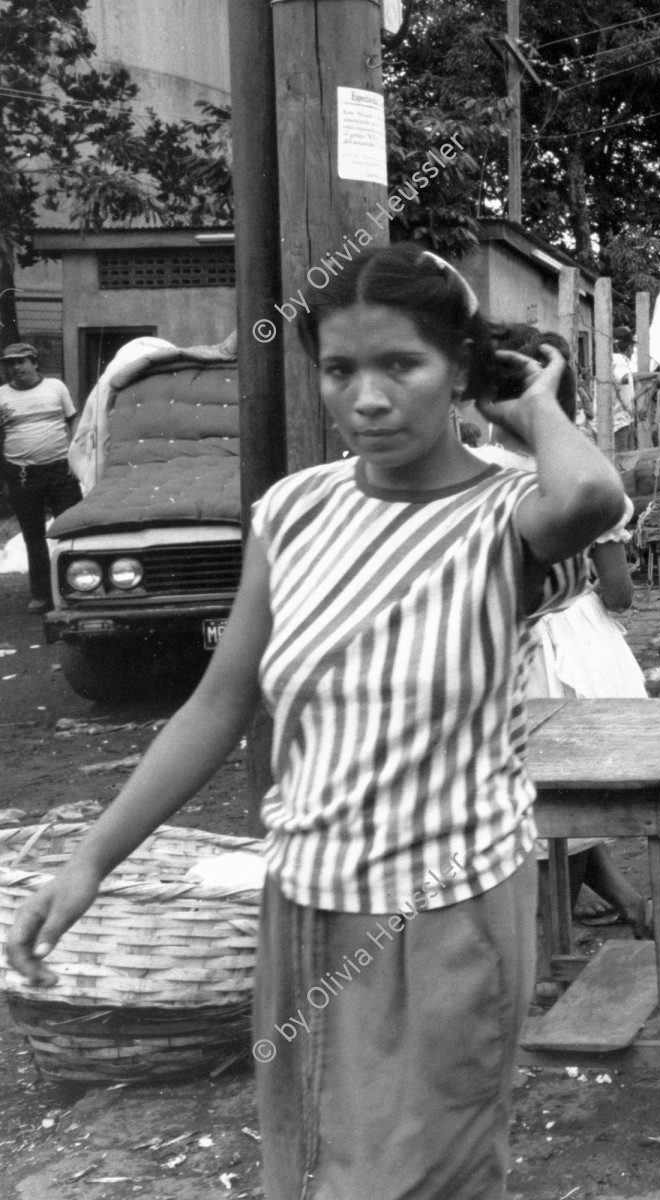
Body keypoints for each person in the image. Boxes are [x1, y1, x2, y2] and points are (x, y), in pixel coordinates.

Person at [5, 245, 628, 1198]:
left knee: (428, 1179)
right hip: (304, 903)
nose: (367, 398)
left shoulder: (506, 515)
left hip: (447, 915)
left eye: (402, 366)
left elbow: (593, 495)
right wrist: (91, 861)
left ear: (460, 369)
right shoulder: (293, 512)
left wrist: (534, 404)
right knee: (316, 1171)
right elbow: (220, 701)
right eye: (340, 370)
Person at [475, 324, 653, 942]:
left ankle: (572, 921)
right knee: (574, 793)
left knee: (530, 801)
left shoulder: (474, 474)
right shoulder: (578, 481)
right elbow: (620, 592)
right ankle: (552, 943)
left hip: (492, 653)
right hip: (570, 646)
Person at [0, 342, 82, 613]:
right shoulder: (1, 396)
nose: (16, 367)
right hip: (22, 475)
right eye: (10, 363)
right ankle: (42, 595)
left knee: (71, 531)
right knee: (33, 536)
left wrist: (75, 455)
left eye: (21, 361)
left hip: (60, 471)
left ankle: (77, 589)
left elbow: (73, 421)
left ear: (35, 363)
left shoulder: (56, 388)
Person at [610, 325, 639, 450]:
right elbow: (622, 378)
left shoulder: (611, 359)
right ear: (629, 348)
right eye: (633, 347)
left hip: (622, 421)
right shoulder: (619, 360)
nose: (633, 351)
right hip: (618, 425)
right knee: (622, 464)